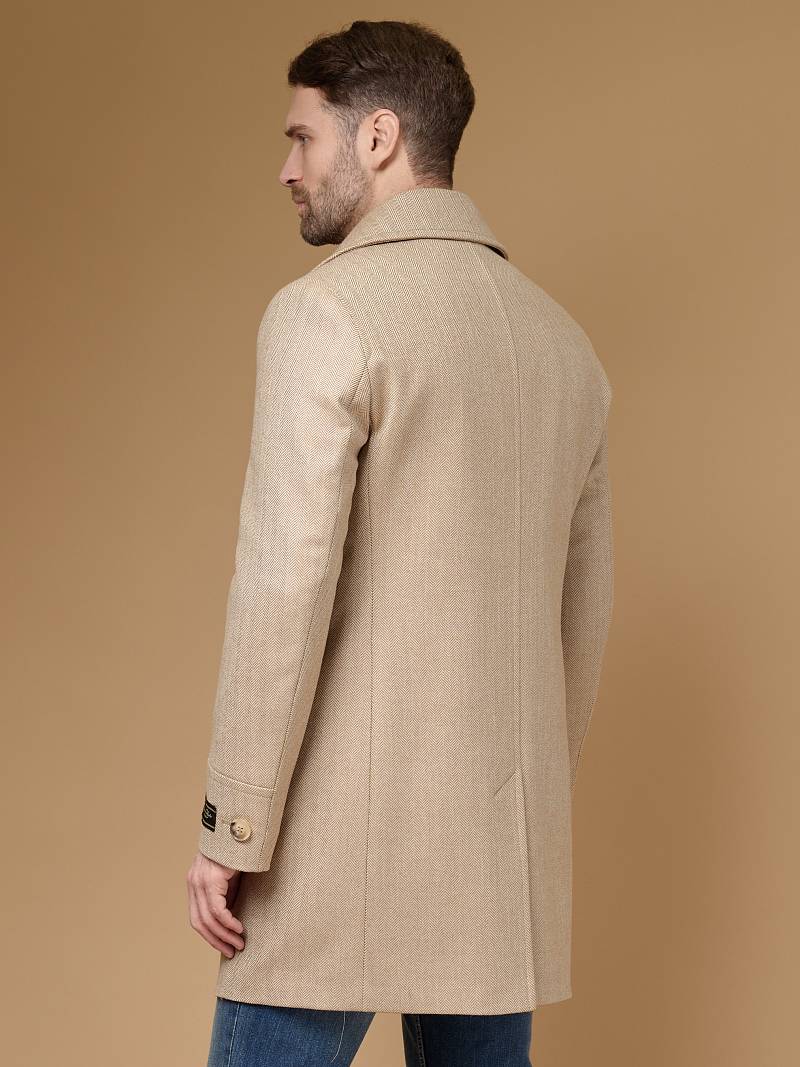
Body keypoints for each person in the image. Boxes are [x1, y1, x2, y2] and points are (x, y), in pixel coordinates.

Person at [186, 18, 614, 1067]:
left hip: (337, 849)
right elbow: (582, 614)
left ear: (377, 137)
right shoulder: (566, 348)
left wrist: (233, 828)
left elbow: (283, 586)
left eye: (302, 137)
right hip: (497, 860)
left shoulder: (327, 312)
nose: (286, 169)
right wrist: (519, 805)